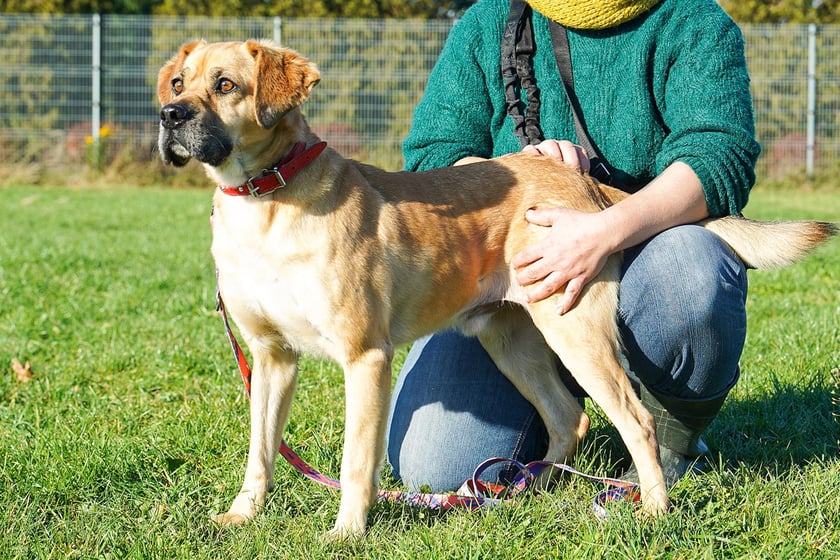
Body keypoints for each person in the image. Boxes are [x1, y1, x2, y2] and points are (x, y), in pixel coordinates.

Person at [386, 0, 761, 493]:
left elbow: (719, 156)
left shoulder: (691, 19)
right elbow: (433, 156)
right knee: (434, 467)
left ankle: (671, 439)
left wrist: (603, 231)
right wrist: (517, 173)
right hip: (501, 270)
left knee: (693, 269)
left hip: (642, 259)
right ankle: (562, 417)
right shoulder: (488, 20)